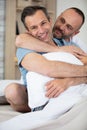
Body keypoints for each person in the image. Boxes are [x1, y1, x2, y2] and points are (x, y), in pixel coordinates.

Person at [5, 6, 87, 113]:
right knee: (12, 90)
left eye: (43, 23)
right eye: (34, 27)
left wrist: (68, 81)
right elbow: (48, 69)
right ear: (28, 31)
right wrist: (59, 50)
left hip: (69, 93)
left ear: (50, 21)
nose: (41, 30)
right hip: (39, 97)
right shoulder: (25, 49)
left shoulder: (69, 44)